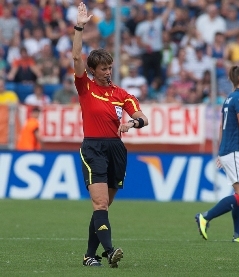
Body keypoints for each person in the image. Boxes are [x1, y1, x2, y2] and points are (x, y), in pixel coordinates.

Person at [72, 2, 149, 268]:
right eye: (103, 68)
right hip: (93, 148)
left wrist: (132, 125)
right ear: (93, 70)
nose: (108, 71)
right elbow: (75, 58)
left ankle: (89, 255)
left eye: (110, 67)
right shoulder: (85, 87)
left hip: (117, 149)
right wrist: (79, 27)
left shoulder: (122, 94)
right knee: (100, 202)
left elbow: (142, 117)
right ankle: (110, 250)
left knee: (102, 207)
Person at [195, 65, 239, 243]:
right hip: (236, 150)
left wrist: (221, 151)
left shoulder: (230, 98)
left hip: (229, 150)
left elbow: (223, 126)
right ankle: (205, 216)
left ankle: (238, 234)